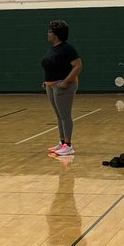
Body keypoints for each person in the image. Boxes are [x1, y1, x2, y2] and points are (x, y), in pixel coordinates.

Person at [41, 20, 83, 156]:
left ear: (56, 34)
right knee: (59, 116)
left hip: (63, 86)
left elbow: (78, 66)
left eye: (50, 31)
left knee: (65, 115)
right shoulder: (53, 48)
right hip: (51, 86)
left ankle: (68, 145)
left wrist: (65, 82)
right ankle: (62, 142)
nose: (48, 34)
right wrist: (47, 82)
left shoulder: (68, 49)